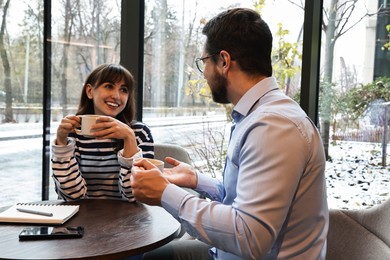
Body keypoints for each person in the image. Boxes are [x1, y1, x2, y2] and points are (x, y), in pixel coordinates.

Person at [131, 8, 328, 260]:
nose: (204, 75)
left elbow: (249, 236)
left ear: (224, 61)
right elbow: (246, 200)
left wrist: (165, 194)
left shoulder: (274, 126)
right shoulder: (259, 115)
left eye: (204, 62)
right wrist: (196, 180)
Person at [52, 63, 154, 202]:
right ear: (90, 91)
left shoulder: (139, 133)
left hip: (129, 219)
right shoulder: (73, 133)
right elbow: (72, 196)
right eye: (109, 86)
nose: (116, 96)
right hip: (81, 217)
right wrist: (61, 144)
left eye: (124, 90)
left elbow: (135, 196)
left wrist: (129, 138)